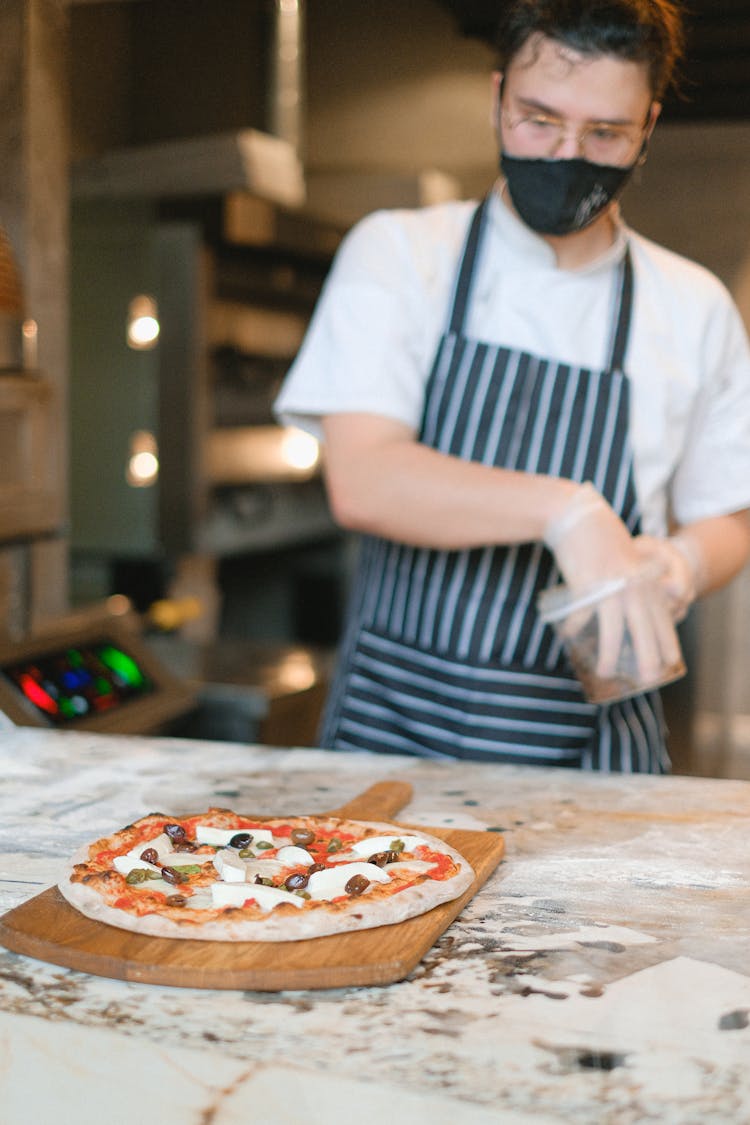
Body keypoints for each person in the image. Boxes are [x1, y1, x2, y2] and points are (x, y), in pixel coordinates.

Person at [275, 0, 750, 772]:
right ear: (497, 97)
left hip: (593, 757)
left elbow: (729, 515)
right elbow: (363, 479)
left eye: (605, 133)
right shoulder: (399, 255)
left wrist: (684, 563)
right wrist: (568, 511)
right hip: (396, 740)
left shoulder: (692, 305)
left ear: (649, 126)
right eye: (538, 120)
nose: (567, 153)